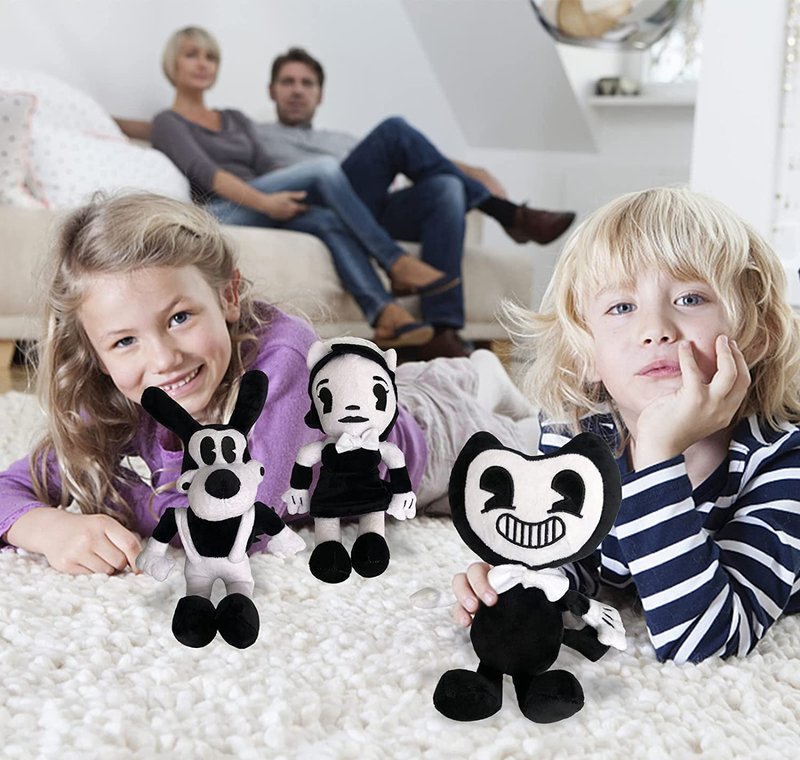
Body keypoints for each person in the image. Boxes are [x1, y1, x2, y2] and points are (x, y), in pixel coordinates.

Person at [0, 192, 540, 575]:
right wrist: (49, 528)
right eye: (124, 341)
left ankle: (474, 385)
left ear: (228, 296)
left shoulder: (283, 358)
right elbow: (9, 488)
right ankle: (470, 373)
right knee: (376, 381)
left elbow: (252, 517)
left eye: (180, 317)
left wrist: (129, 501)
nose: (162, 359)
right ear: (95, 356)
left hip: (427, 442)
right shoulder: (118, 403)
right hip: (350, 396)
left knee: (530, 457)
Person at [452, 186, 800, 664]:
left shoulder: (781, 461)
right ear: (585, 354)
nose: (655, 329)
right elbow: (572, 554)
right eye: (621, 307)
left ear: (756, 338)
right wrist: (520, 583)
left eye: (690, 298)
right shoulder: (578, 433)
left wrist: (658, 454)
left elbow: (705, 641)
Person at [255, 47, 577, 359]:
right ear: (271, 90)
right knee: (393, 130)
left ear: (320, 95)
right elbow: (245, 186)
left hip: (364, 210)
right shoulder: (256, 135)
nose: (297, 91)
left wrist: (472, 172)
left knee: (447, 187)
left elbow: (417, 155)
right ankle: (507, 214)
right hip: (313, 205)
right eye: (288, 82)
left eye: (307, 83)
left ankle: (442, 331)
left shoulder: (340, 141)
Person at [151, 26, 459, 351]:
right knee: (323, 169)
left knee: (326, 219)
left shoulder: (235, 118)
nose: (203, 63)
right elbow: (210, 175)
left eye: (210, 57)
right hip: (221, 210)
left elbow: (267, 166)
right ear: (173, 63)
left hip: (262, 200)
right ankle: (394, 261)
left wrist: (291, 192)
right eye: (192, 55)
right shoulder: (167, 122)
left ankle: (385, 313)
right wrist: (268, 202)